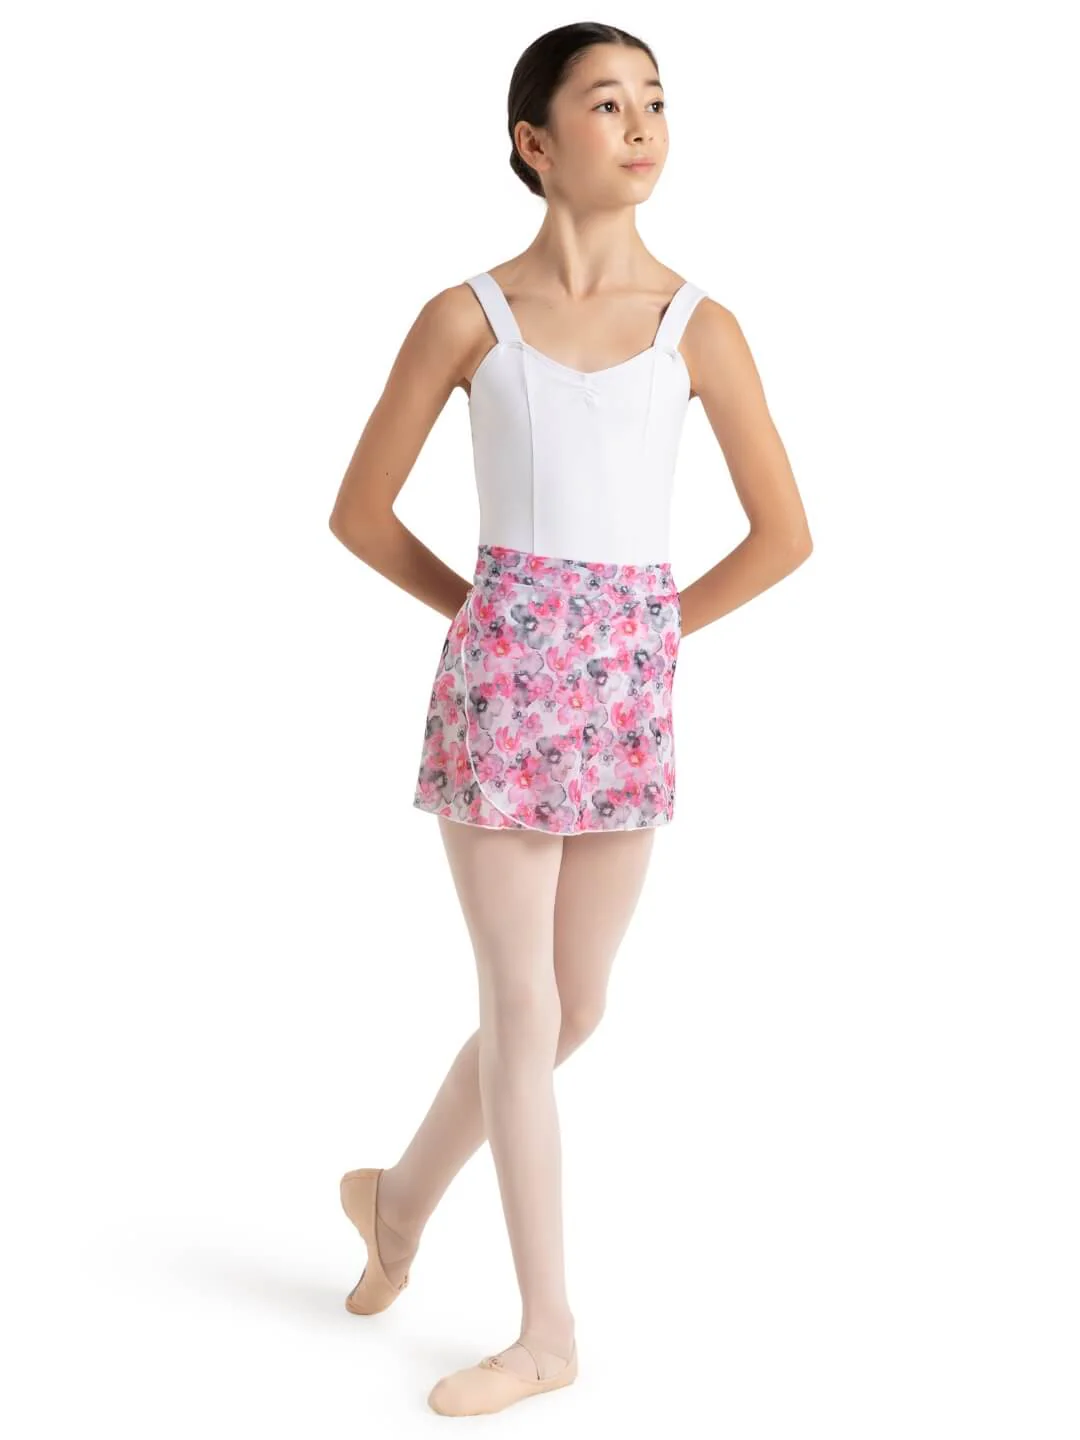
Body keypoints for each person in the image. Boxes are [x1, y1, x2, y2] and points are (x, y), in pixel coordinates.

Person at [328, 20, 812, 1417]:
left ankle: (397, 1203)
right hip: (500, 696)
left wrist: (648, 631)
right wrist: (491, 616)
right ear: (535, 143)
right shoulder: (465, 318)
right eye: (607, 103)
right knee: (522, 1002)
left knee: (576, 1004)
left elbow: (784, 534)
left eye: (655, 99)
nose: (642, 124)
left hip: (625, 704)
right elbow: (361, 513)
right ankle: (547, 1335)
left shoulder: (698, 327)